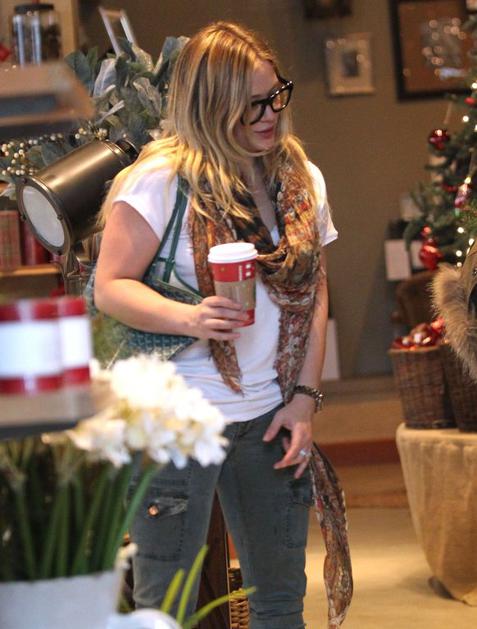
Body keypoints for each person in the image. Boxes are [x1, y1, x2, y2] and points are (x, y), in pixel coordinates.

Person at [94, 21, 339, 629]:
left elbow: (315, 289)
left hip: (269, 414)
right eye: (250, 104)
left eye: (274, 95)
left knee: (279, 603)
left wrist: (303, 400)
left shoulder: (300, 180)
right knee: (167, 606)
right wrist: (191, 317)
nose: (269, 114)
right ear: (209, 105)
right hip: (174, 416)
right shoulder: (159, 181)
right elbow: (110, 286)